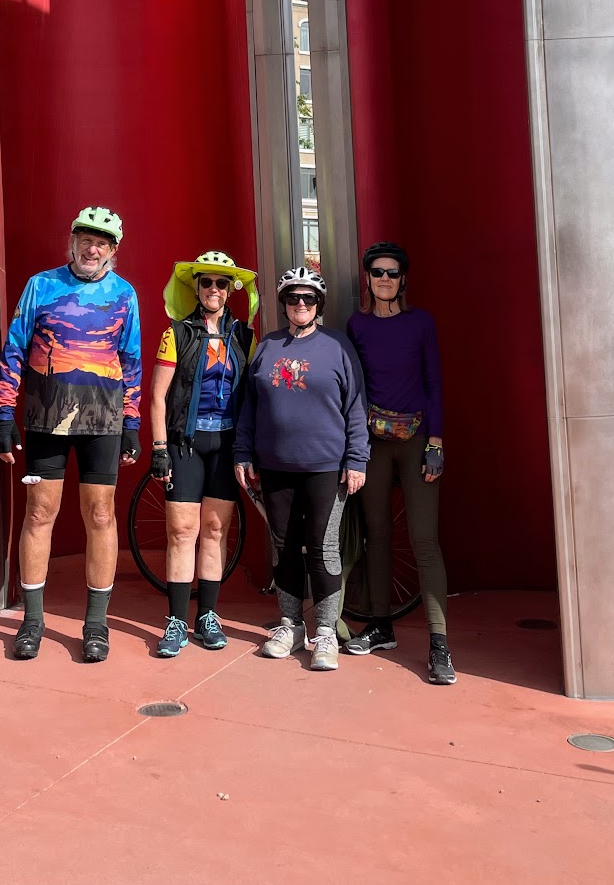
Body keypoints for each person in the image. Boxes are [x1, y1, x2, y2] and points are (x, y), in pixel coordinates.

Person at [0, 205, 142, 664]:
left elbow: (131, 360)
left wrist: (132, 423)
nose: (91, 248)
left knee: (100, 516)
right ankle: (32, 621)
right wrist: (2, 414)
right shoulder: (42, 284)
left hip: (104, 422)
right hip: (45, 420)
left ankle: (96, 623)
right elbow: (15, 347)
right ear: (72, 241)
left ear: (112, 251)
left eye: (101, 242)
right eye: (84, 238)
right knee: (40, 514)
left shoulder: (125, 295)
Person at [234, 267, 368, 672]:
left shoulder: (338, 346)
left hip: (326, 466)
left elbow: (356, 407)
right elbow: (249, 407)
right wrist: (243, 453)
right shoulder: (268, 346)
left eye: (308, 298)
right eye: (293, 298)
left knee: (323, 548)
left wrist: (357, 459)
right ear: (285, 304)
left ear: (318, 304)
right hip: (275, 465)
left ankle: (325, 633)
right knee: (283, 547)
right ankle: (290, 627)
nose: (301, 304)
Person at [345, 242, 454, 686]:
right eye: (377, 272)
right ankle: (379, 626)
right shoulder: (357, 325)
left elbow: (434, 381)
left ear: (403, 278)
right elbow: (352, 387)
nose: (385, 279)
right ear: (368, 279)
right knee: (377, 536)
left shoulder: (420, 322)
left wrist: (436, 443)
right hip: (373, 442)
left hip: (416, 441)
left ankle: (440, 644)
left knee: (424, 540)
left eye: (392, 273)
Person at [148, 250, 259, 657]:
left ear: (232, 291)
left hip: (227, 444)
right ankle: (176, 620)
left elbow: (254, 397)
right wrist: (159, 448)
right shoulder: (176, 332)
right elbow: (157, 398)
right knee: (182, 532)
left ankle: (207, 616)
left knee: (214, 531)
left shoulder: (245, 335)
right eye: (206, 282)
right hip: (186, 445)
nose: (214, 289)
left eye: (222, 283)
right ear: (195, 287)